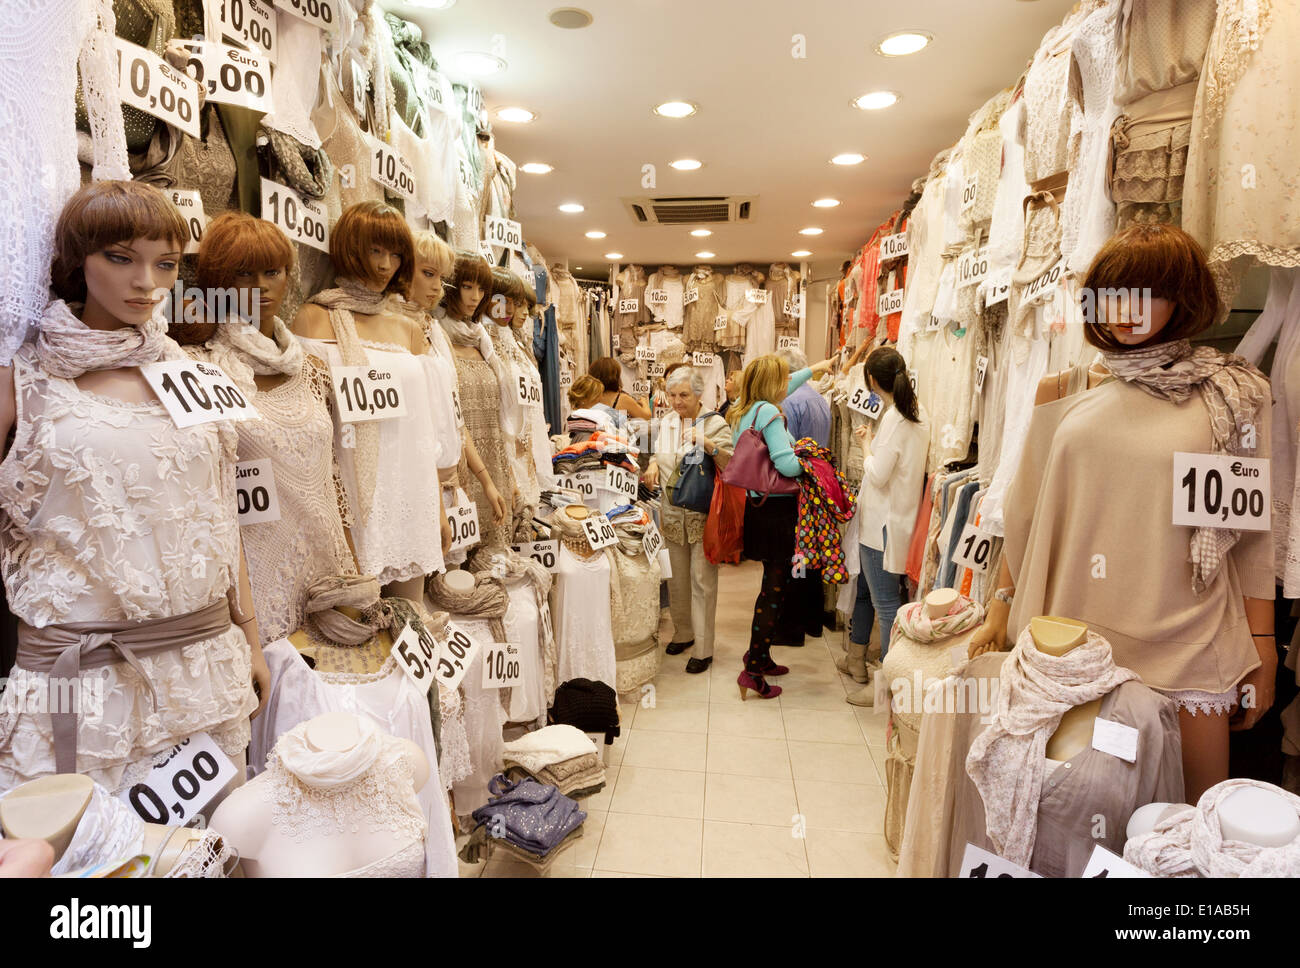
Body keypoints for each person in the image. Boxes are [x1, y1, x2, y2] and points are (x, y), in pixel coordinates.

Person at [968, 223, 1276, 802]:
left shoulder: (1232, 394)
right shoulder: (1065, 387)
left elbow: (1251, 532)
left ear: (1183, 298)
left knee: (1180, 828)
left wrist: (1261, 641)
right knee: (1070, 818)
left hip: (1188, 643)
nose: (1124, 311)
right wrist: (1000, 607)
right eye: (1109, 294)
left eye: (1148, 293)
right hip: (1073, 643)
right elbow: (1028, 515)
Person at [729, 352, 835, 699]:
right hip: (778, 512)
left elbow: (789, 383)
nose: (787, 386)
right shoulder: (772, 414)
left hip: (757, 508)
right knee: (774, 590)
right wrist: (812, 461)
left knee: (770, 585)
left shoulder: (746, 409)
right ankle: (754, 668)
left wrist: (818, 367)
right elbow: (786, 464)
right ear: (773, 384)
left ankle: (761, 655)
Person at [843, 347, 929, 706]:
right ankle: (857, 662)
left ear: (873, 382)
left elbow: (877, 475)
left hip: (883, 525)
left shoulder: (897, 418)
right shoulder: (917, 412)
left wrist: (865, 444)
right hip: (893, 520)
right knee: (872, 592)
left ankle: (887, 686)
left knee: (887, 603)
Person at [645, 366, 735, 673]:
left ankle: (704, 647)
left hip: (702, 514)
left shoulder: (715, 423)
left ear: (698, 393)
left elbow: (732, 462)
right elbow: (661, 453)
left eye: (684, 394)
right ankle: (683, 631)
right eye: (672, 395)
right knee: (676, 577)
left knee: (702, 580)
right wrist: (654, 463)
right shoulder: (668, 422)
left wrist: (707, 444)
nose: (677, 401)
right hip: (671, 513)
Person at [778, 348, 832, 447]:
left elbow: (786, 446)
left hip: (798, 461)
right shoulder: (820, 399)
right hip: (820, 460)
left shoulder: (787, 400)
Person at [589, 356, 652, 421]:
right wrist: (644, 402)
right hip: (614, 431)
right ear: (616, 376)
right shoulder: (622, 399)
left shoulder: (586, 397)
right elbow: (646, 416)